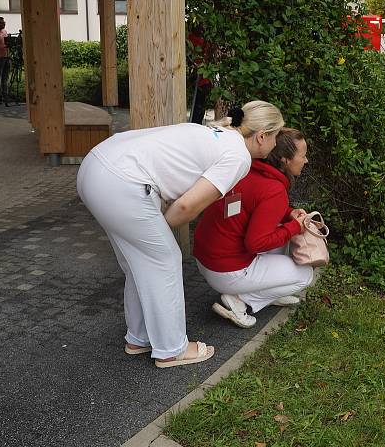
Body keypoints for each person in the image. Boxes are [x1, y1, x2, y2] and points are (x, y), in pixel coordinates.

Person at [76, 101, 284, 368]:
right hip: (120, 181)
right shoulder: (238, 156)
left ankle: (139, 338)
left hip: (97, 167)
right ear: (262, 136)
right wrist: (158, 229)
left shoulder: (216, 135)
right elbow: (187, 207)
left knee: (141, 263)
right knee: (165, 260)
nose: (276, 144)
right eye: (276, 136)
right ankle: (172, 349)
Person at [193, 128, 315, 328]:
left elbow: (254, 208)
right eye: (303, 155)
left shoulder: (246, 168)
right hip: (226, 272)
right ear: (285, 160)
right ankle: (243, 299)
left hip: (205, 260)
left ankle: (265, 291)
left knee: (280, 228)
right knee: (305, 275)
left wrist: (287, 214)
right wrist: (294, 227)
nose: (306, 160)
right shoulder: (274, 190)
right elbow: (255, 243)